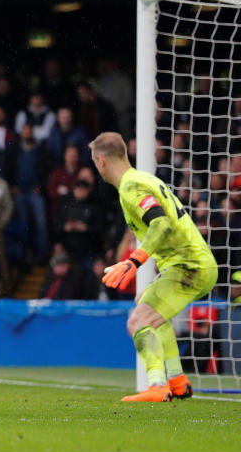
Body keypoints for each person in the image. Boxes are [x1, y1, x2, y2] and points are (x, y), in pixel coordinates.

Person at [91, 132, 217, 402]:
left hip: (189, 266)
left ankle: (158, 386)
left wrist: (134, 260)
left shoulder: (130, 187)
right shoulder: (143, 178)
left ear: (100, 161)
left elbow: (161, 223)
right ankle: (178, 381)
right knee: (143, 300)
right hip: (190, 264)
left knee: (137, 321)